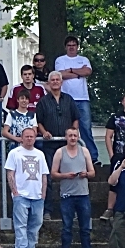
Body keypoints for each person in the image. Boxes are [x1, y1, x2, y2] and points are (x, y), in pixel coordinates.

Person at [35, 71, 79, 219]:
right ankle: (48, 210)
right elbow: (39, 121)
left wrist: (73, 133)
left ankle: (70, 210)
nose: (55, 82)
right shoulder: (43, 101)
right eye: (52, 80)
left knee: (70, 176)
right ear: (49, 83)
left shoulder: (69, 100)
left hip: (67, 145)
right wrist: (44, 132)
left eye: (57, 80)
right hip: (50, 145)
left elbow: (75, 119)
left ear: (61, 82)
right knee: (48, 177)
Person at [51, 126, 96, 248]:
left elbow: (93, 172)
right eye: (70, 135)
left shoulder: (85, 151)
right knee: (67, 227)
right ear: (66, 137)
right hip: (67, 195)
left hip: (83, 194)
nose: (72, 138)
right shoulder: (60, 152)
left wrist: (86, 174)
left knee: (85, 227)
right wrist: (65, 175)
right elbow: (53, 174)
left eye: (75, 136)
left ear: (78, 137)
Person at [4, 126, 48, 248]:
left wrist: (43, 194)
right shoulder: (14, 153)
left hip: (37, 195)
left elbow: (44, 175)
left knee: (35, 225)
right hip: (21, 195)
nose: (29, 139)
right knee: (21, 225)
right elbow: (10, 173)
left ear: (35, 138)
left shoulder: (40, 154)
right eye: (27, 136)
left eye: (32, 136)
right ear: (22, 138)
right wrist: (15, 192)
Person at [55, 35, 99, 160]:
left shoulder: (83, 59)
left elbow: (87, 72)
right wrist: (78, 73)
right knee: (66, 128)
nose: (71, 47)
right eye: (69, 45)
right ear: (65, 47)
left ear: (77, 47)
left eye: (74, 45)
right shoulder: (60, 60)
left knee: (86, 128)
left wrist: (70, 70)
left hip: (82, 98)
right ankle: (66, 156)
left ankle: (92, 156)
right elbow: (60, 74)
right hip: (66, 98)